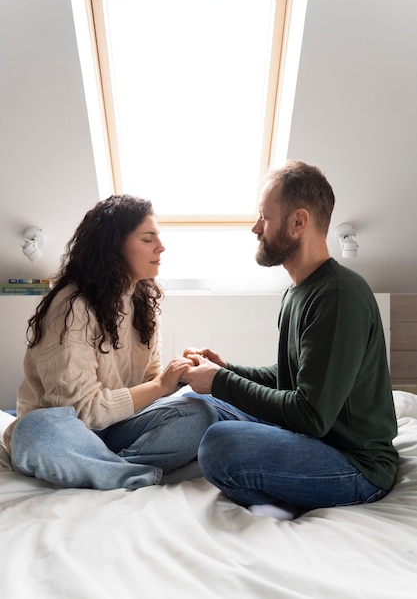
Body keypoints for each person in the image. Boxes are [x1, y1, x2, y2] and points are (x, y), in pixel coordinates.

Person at [182, 161, 399, 520]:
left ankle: (280, 502)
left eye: (264, 218)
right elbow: (295, 375)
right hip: (314, 440)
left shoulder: (339, 295)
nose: (255, 228)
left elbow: (310, 415)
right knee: (196, 398)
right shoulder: (299, 291)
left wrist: (222, 381)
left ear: (299, 222)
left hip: (356, 465)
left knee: (220, 444)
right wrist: (226, 370)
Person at [3, 195, 218, 490]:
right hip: (70, 429)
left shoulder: (143, 302)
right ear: (114, 246)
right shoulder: (72, 307)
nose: (161, 246)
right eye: (148, 238)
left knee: (201, 412)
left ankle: (99, 467)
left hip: (118, 427)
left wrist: (178, 376)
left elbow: (149, 383)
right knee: (35, 431)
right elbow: (81, 411)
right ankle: (131, 474)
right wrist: (158, 387)